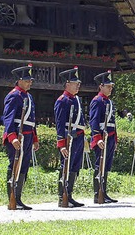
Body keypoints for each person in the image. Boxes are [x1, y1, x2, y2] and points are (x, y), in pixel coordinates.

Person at [2, 64, 39, 210]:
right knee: (15, 165)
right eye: (27, 80)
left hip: (28, 136)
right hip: (18, 135)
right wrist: (12, 137)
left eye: (31, 80)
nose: (30, 82)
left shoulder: (28, 96)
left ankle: (18, 198)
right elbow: (8, 118)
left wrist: (35, 139)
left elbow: (31, 120)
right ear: (19, 80)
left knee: (24, 167)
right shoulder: (13, 95)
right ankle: (11, 198)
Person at [54, 66, 85, 208]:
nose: (78, 85)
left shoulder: (76, 100)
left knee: (74, 166)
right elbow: (60, 123)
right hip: (68, 138)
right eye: (75, 83)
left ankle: (69, 195)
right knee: (65, 166)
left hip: (78, 137)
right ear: (67, 84)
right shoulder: (62, 100)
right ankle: (62, 196)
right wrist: (61, 143)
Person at [89, 70, 118, 204]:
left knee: (106, 166)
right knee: (99, 165)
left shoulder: (108, 101)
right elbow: (94, 120)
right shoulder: (97, 100)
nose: (110, 88)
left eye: (111, 86)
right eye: (108, 86)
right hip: (102, 137)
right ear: (101, 86)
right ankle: (98, 194)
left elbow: (113, 122)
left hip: (110, 137)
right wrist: (97, 137)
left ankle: (104, 193)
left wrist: (115, 139)